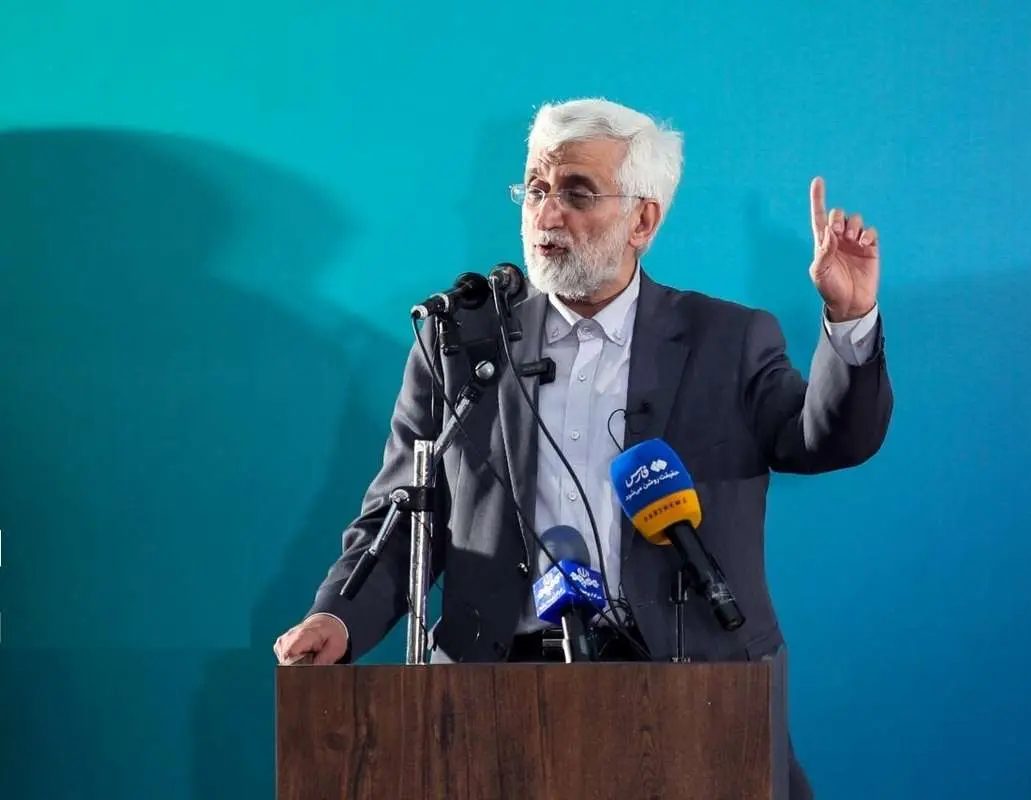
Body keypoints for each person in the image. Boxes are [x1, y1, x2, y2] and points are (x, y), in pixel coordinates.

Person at [274, 97, 893, 799]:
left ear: (643, 221)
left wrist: (850, 319)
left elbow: (827, 439)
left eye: (577, 193)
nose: (547, 214)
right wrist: (338, 617)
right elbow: (401, 514)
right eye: (537, 189)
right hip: (492, 694)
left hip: (693, 690)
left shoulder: (728, 340)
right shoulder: (461, 348)